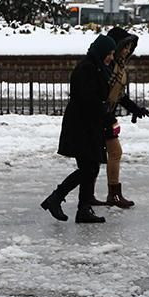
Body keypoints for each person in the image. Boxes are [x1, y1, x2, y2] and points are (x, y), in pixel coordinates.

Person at [40, 35, 116, 224]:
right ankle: (58, 198)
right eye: (109, 53)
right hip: (81, 125)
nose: (111, 57)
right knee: (89, 167)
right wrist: (106, 115)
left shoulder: (98, 67)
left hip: (89, 124)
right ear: (101, 52)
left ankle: (82, 208)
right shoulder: (87, 68)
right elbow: (88, 99)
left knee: (91, 167)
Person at [99, 27, 149, 208]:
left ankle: (106, 194)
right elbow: (103, 94)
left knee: (104, 155)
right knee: (112, 153)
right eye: (125, 47)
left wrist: (134, 109)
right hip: (101, 117)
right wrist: (107, 116)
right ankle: (111, 194)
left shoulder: (118, 67)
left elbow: (119, 95)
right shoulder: (108, 67)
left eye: (130, 47)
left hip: (105, 116)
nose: (128, 51)